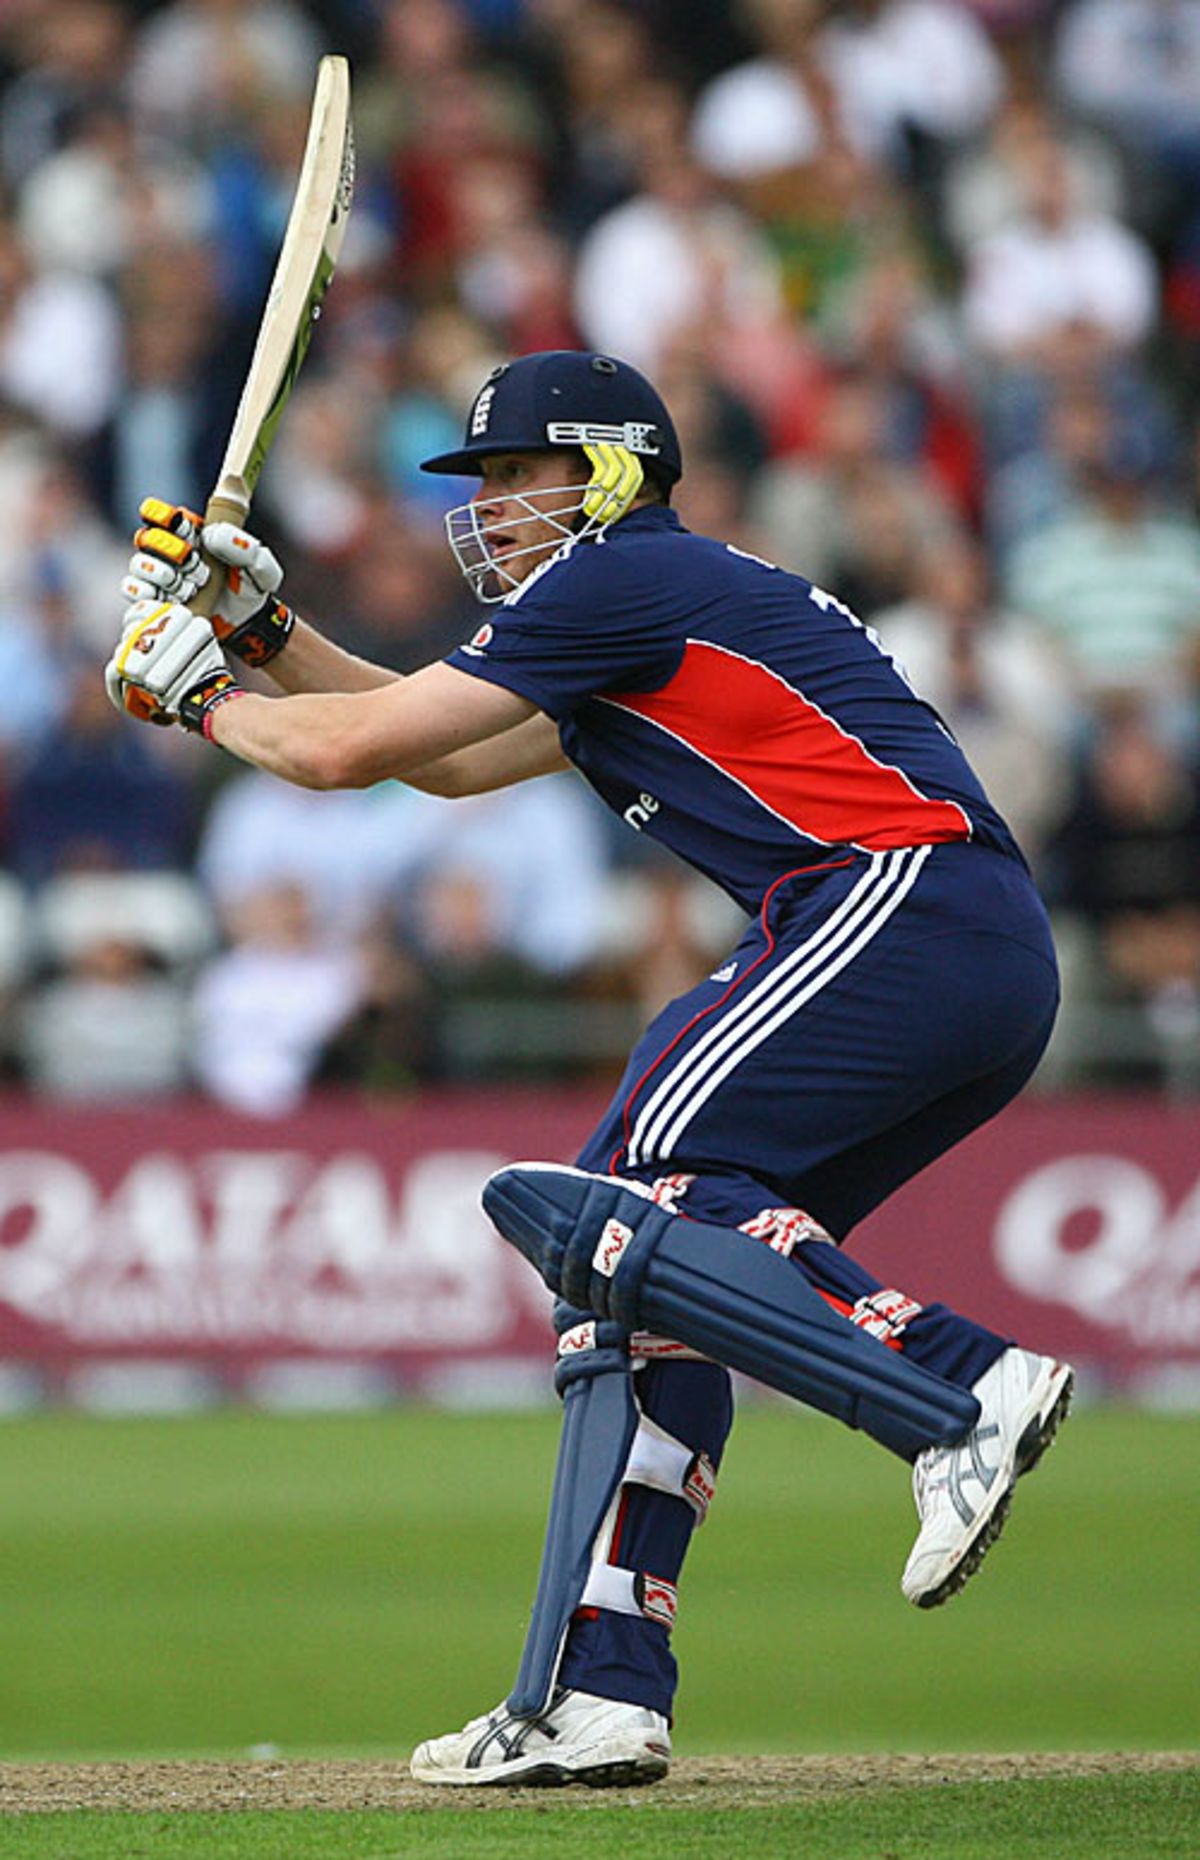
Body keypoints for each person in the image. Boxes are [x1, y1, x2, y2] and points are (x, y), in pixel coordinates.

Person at [106, 349, 1073, 1788]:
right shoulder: (621, 616)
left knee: (632, 1185)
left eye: (514, 476)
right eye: (481, 484)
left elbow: (351, 750)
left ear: (610, 470)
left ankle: (958, 1389)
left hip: (897, 903)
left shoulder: (615, 581)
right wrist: (262, 629)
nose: (490, 509)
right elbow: (441, 760)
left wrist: (196, 698)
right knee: (634, 1275)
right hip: (961, 948)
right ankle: (602, 1689)